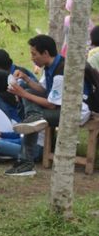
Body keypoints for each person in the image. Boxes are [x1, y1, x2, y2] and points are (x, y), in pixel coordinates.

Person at [5, 34, 92, 176]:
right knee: (29, 96)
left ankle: (26, 163)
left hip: (75, 112)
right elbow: (43, 89)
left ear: (45, 53)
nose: (32, 58)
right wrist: (26, 79)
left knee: (31, 118)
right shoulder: (51, 66)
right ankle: (33, 118)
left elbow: (51, 105)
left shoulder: (61, 71)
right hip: (61, 107)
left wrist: (23, 94)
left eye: (34, 54)